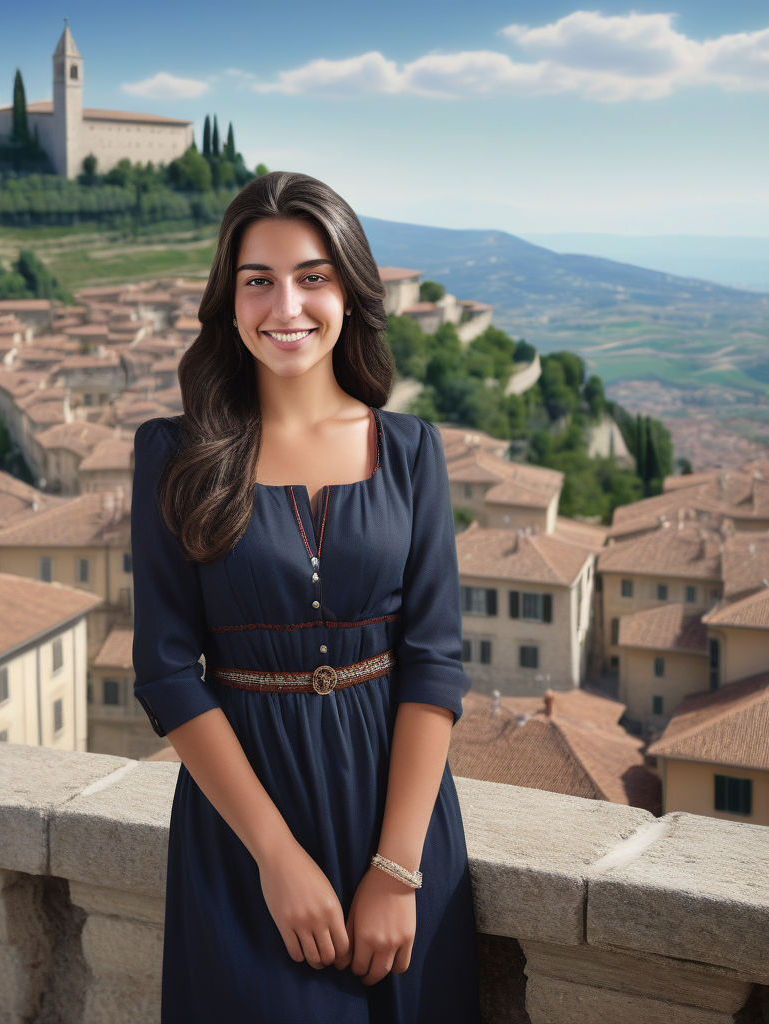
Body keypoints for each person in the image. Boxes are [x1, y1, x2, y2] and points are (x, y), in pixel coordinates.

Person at [131, 171, 479, 1023]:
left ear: (349, 292)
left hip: (401, 828)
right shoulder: (173, 456)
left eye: (312, 277)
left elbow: (434, 664)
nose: (285, 306)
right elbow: (167, 674)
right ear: (230, 301)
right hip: (242, 838)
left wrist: (396, 870)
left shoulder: (412, 451)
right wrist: (277, 858)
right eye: (259, 280)